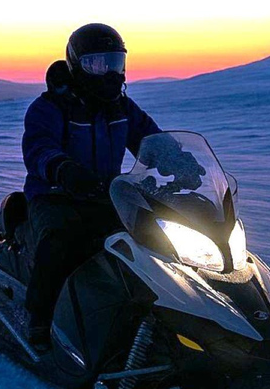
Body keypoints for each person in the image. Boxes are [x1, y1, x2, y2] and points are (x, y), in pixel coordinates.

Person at [16, 23, 161, 348]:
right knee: (61, 240)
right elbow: (38, 146)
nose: (108, 72)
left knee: (151, 237)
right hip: (55, 195)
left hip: (106, 193)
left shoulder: (122, 107)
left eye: (115, 62)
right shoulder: (51, 107)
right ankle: (38, 320)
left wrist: (178, 162)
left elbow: (150, 138)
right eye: (97, 63)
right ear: (77, 65)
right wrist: (62, 168)